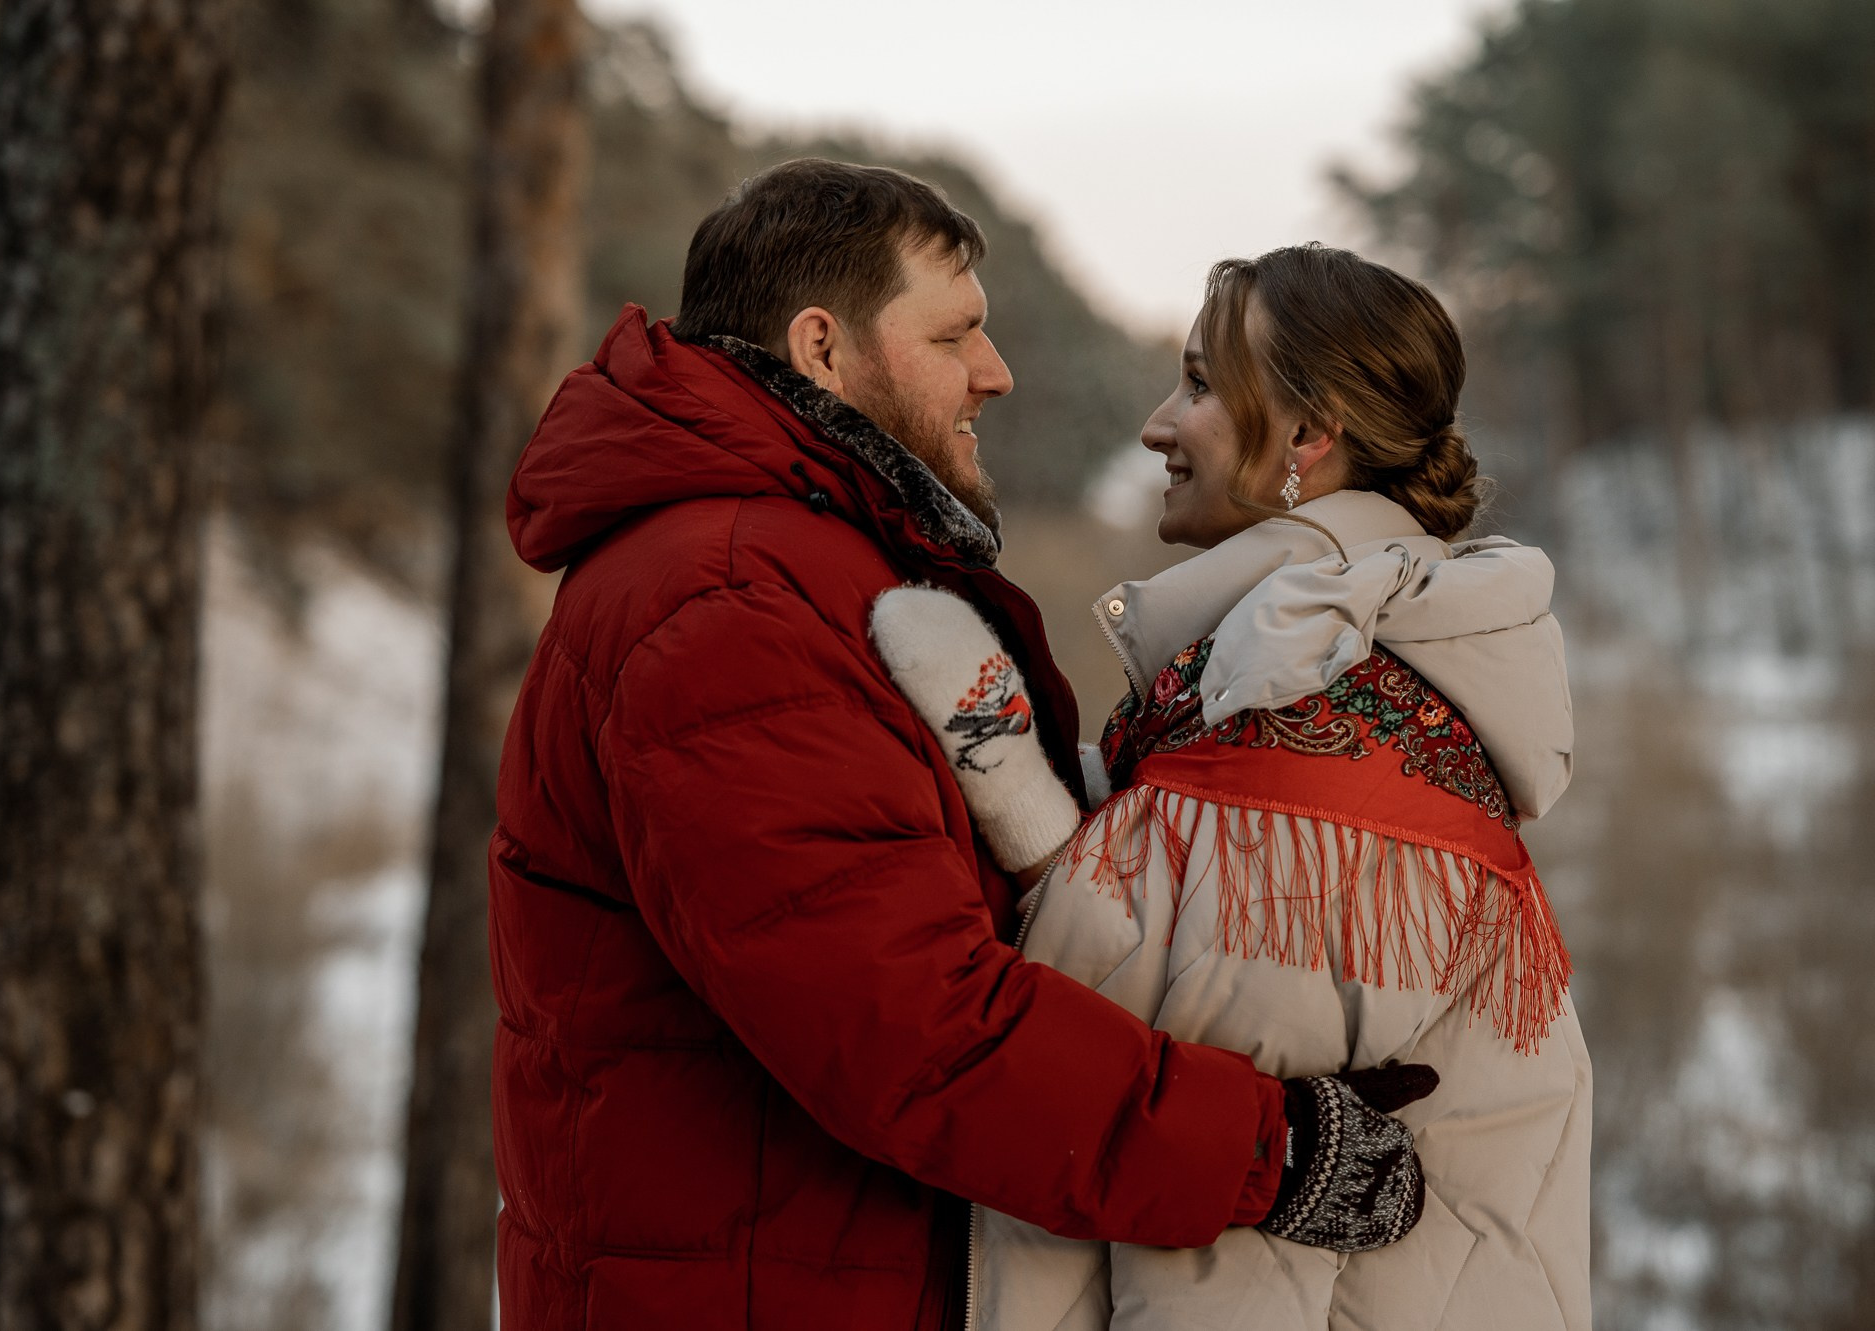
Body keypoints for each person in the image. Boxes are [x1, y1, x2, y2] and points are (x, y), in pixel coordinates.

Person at [490, 163, 1436, 1331]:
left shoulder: (806, 560)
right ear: (822, 349)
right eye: (956, 333)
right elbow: (909, 1025)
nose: (994, 371)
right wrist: (1270, 1150)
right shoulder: (726, 602)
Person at [873, 243, 1591, 1330]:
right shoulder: (1295, 709)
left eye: (1201, 386)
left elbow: (1235, 1240)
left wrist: (1014, 789)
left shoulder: (1309, 765)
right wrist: (1019, 796)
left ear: (1309, 434)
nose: (1157, 425)